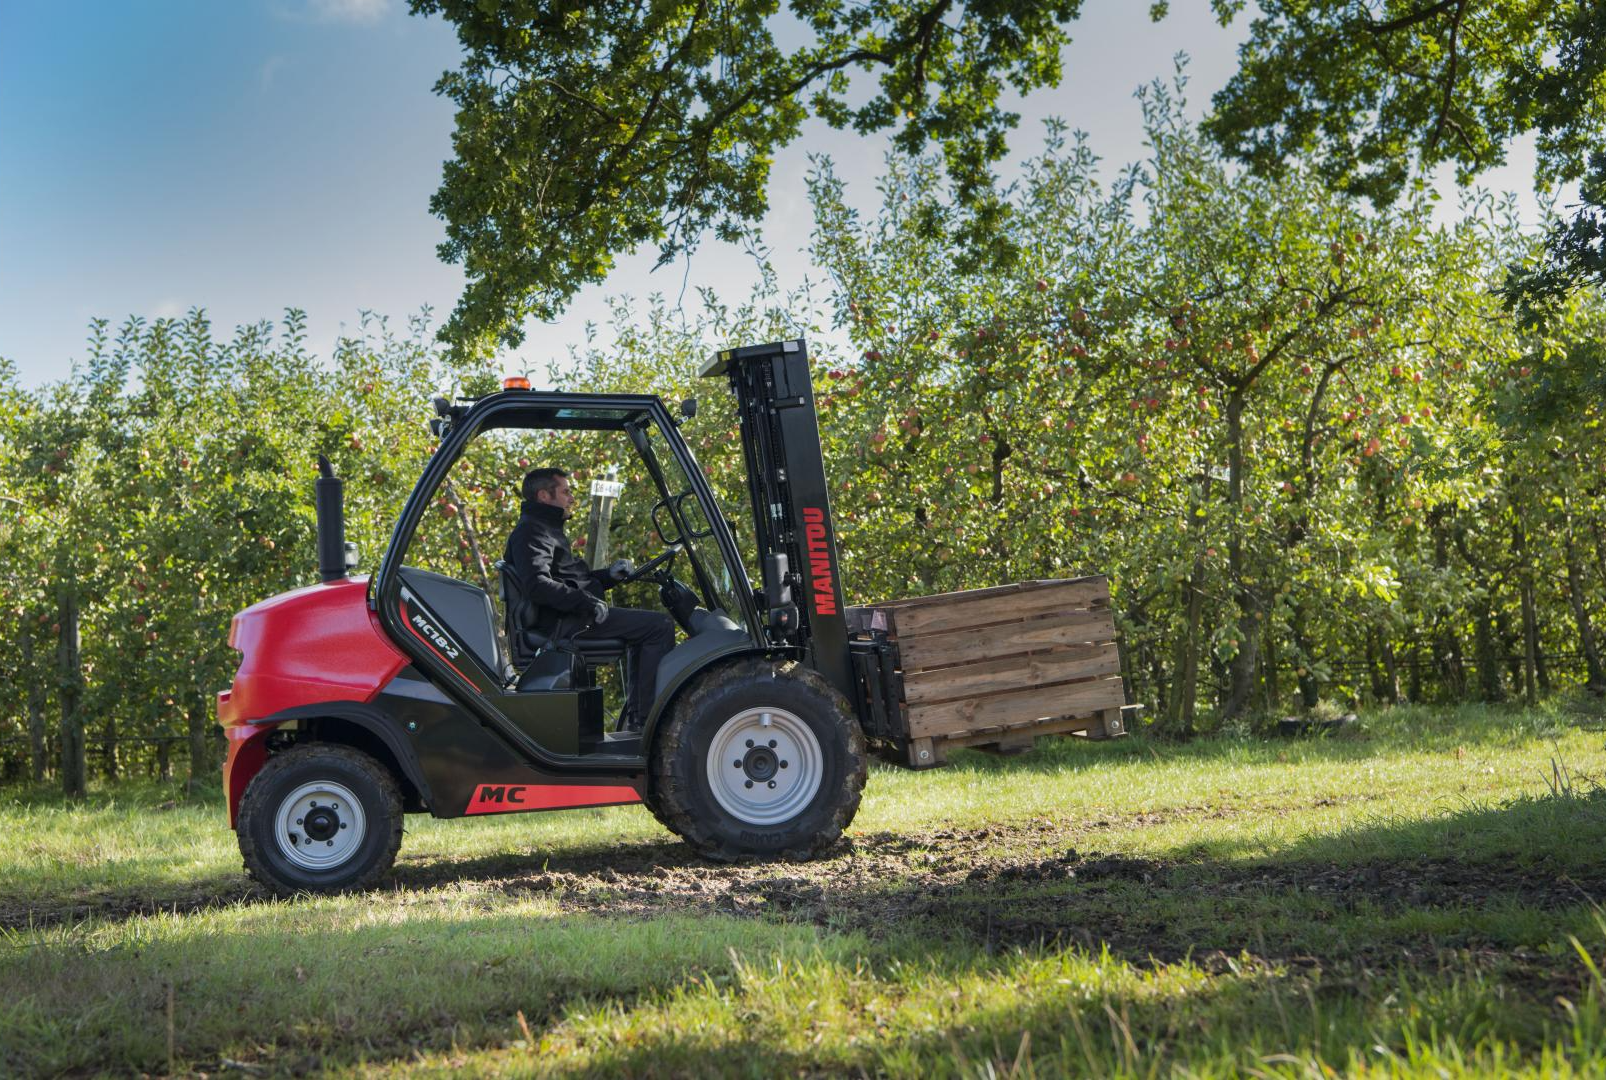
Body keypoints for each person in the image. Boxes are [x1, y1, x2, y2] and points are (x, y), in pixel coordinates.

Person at [504, 467, 675, 730]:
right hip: (565, 624)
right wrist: (586, 602)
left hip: (573, 615)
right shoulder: (532, 532)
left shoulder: (545, 527)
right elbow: (538, 585)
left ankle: (639, 720)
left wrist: (609, 576)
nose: (571, 498)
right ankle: (647, 723)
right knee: (658, 627)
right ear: (544, 496)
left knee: (646, 628)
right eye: (566, 492)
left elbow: (568, 579)